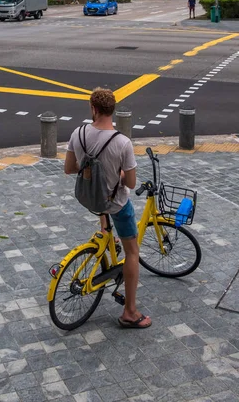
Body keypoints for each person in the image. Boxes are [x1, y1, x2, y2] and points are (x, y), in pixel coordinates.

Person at [64, 87, 152, 329]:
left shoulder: (78, 133)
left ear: (93, 109)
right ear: (112, 110)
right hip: (115, 203)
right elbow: (131, 184)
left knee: (103, 199)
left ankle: (105, 234)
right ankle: (130, 312)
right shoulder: (122, 142)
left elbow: (69, 169)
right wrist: (120, 173)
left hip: (89, 198)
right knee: (132, 252)